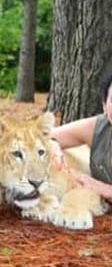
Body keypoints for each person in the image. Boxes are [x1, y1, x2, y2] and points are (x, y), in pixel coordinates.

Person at [50, 67, 112, 201]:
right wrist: (52, 145)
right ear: (104, 105)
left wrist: (102, 188)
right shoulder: (96, 128)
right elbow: (44, 137)